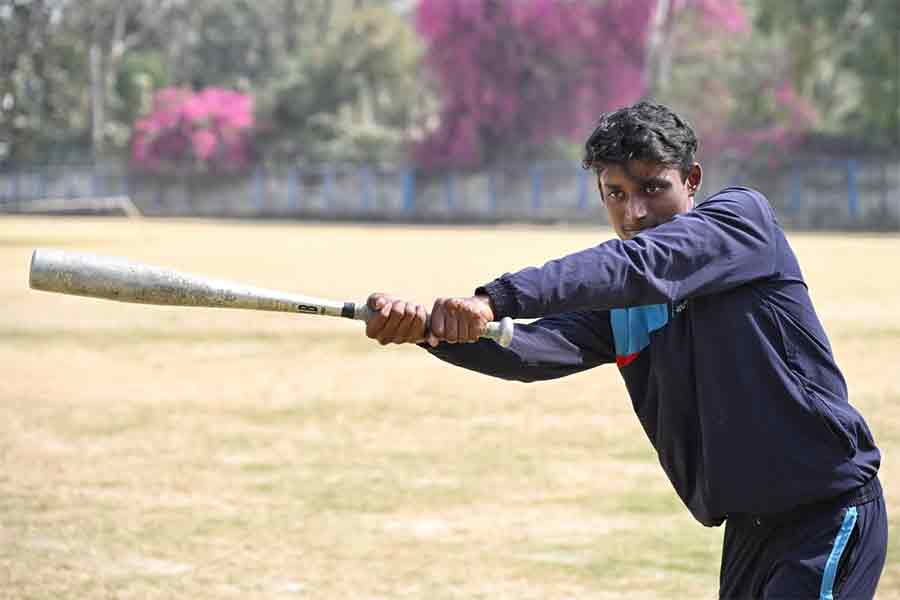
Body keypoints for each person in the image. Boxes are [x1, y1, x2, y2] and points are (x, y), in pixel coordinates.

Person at [364, 101, 887, 599]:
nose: (634, 212)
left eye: (653, 188)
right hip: (750, 530)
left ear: (692, 180)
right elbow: (531, 350)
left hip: (825, 510)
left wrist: (495, 297)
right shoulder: (622, 303)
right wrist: (427, 333)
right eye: (615, 193)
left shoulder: (741, 223)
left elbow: (636, 265)